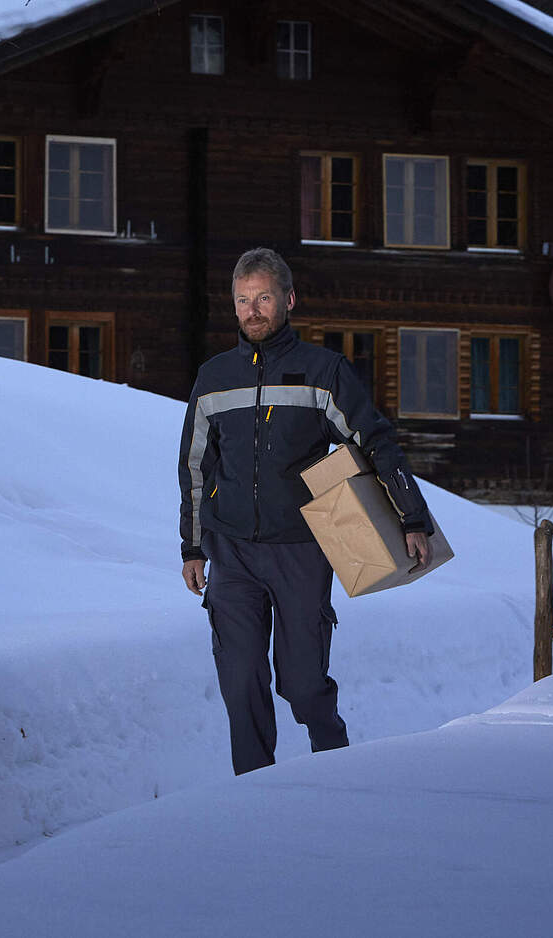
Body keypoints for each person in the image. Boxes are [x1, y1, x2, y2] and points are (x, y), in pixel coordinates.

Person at [177, 247, 434, 775]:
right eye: (242, 300)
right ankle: (254, 787)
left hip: (301, 549)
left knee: (301, 681)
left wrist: (411, 517)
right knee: (240, 678)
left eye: (263, 298)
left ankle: (333, 764)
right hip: (232, 552)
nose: (252, 310)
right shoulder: (214, 378)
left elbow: (374, 441)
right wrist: (193, 547)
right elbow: (195, 467)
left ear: (288, 300)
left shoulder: (323, 372)